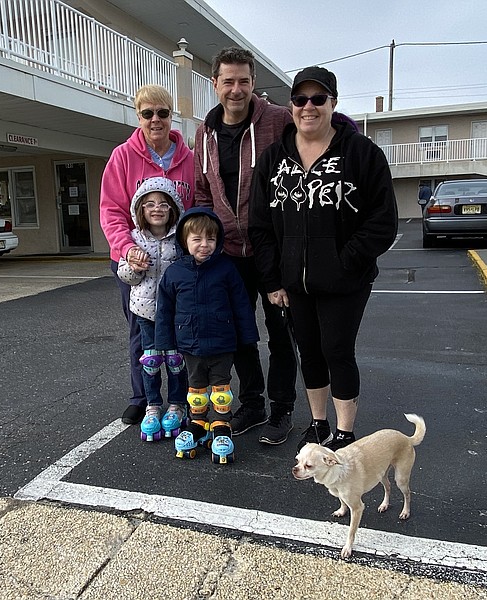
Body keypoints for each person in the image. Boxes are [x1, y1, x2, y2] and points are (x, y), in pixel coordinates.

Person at [248, 66, 398, 453]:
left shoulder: (362, 153)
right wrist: (272, 280)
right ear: (291, 105)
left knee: (337, 349)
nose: (308, 107)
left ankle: (345, 431)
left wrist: (344, 262)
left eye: (318, 99)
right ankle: (318, 423)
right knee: (309, 352)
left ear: (333, 102)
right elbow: (260, 226)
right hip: (293, 284)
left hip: (346, 281)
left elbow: (382, 221)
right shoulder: (272, 159)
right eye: (300, 100)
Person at [194, 46, 297, 445]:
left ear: (253, 83)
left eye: (244, 81)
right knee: (239, 333)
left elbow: (314, 146)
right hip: (228, 254)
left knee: (280, 331)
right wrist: (206, 240)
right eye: (228, 81)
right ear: (215, 83)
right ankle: (252, 404)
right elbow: (203, 192)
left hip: (274, 250)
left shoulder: (277, 121)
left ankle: (282, 410)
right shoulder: (204, 134)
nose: (236, 89)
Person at [100, 84, 194, 426]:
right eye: (147, 113)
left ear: (172, 116)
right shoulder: (123, 156)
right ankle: (144, 398)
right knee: (142, 332)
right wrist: (128, 249)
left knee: (179, 331)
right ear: (137, 116)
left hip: (175, 260)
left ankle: (181, 399)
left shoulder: (188, 160)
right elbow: (111, 210)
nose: (156, 120)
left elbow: (195, 210)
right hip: (135, 262)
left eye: (163, 113)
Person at [155, 207, 259, 464]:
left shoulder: (226, 269)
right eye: (197, 239)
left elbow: (241, 304)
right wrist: (165, 344)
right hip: (189, 344)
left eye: (210, 239)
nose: (205, 245)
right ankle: (199, 422)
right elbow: (164, 311)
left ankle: (221, 424)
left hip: (223, 343)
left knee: (221, 388)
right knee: (196, 388)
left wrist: (247, 336)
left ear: (218, 241)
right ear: (184, 241)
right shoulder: (174, 272)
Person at [116, 177, 188, 442]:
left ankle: (178, 404)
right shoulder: (134, 240)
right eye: (149, 205)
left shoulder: (180, 238)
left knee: (175, 360)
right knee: (150, 361)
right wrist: (134, 268)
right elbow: (125, 275)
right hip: (145, 312)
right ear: (141, 210)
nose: (156, 209)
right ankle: (153, 405)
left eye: (163, 204)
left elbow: (189, 271)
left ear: (172, 208)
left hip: (174, 313)